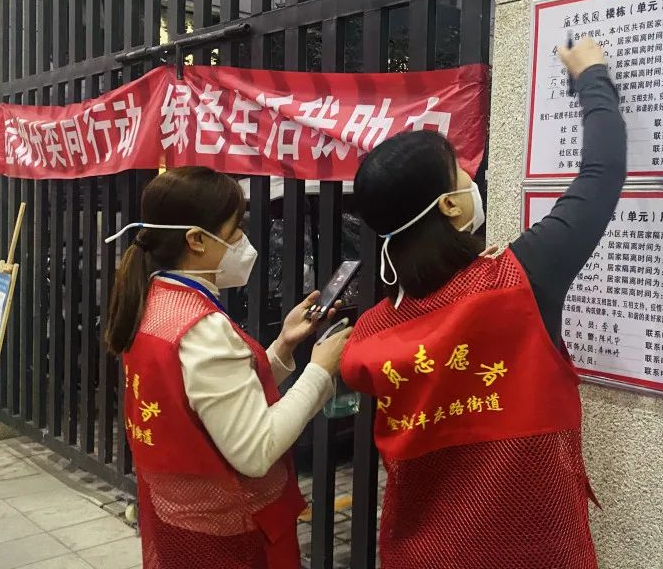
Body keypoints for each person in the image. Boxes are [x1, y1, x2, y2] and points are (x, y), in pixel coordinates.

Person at [340, 38, 625, 569]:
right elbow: (601, 174)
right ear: (450, 206)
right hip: (535, 553)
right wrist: (591, 75)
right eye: (460, 172)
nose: (472, 179)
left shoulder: (372, 331)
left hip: (421, 555)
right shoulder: (518, 279)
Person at [104, 166, 351, 569]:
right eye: (237, 229)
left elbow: (216, 402)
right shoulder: (201, 327)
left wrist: (283, 345)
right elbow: (255, 450)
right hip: (229, 539)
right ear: (196, 240)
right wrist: (320, 371)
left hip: (178, 523)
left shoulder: (154, 299)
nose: (244, 242)